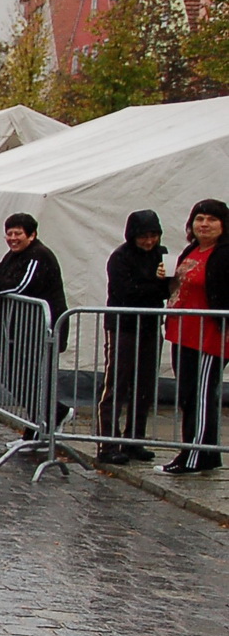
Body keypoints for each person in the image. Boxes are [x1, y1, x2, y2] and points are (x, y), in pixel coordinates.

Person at [0, 212, 69, 435]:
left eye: (18, 233)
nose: (12, 238)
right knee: (15, 378)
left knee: (30, 378)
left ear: (32, 235)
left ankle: (52, 416)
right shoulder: (12, 255)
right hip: (16, 328)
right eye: (9, 233)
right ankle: (38, 423)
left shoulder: (39, 255)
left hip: (39, 328)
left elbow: (19, 286)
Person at [161, 198, 229, 474]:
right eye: (200, 218)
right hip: (183, 333)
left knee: (201, 396)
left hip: (210, 335)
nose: (204, 224)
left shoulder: (224, 254)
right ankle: (199, 452)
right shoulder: (192, 250)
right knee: (188, 395)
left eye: (211, 219)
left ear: (223, 225)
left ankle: (196, 456)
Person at [96, 210, 168, 465]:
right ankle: (107, 442)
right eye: (143, 237)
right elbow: (126, 291)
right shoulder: (120, 258)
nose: (149, 242)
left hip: (150, 326)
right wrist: (157, 286)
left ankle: (134, 439)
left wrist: (159, 286)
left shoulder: (161, 254)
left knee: (145, 385)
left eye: (153, 236)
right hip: (123, 327)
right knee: (117, 382)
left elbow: (166, 287)